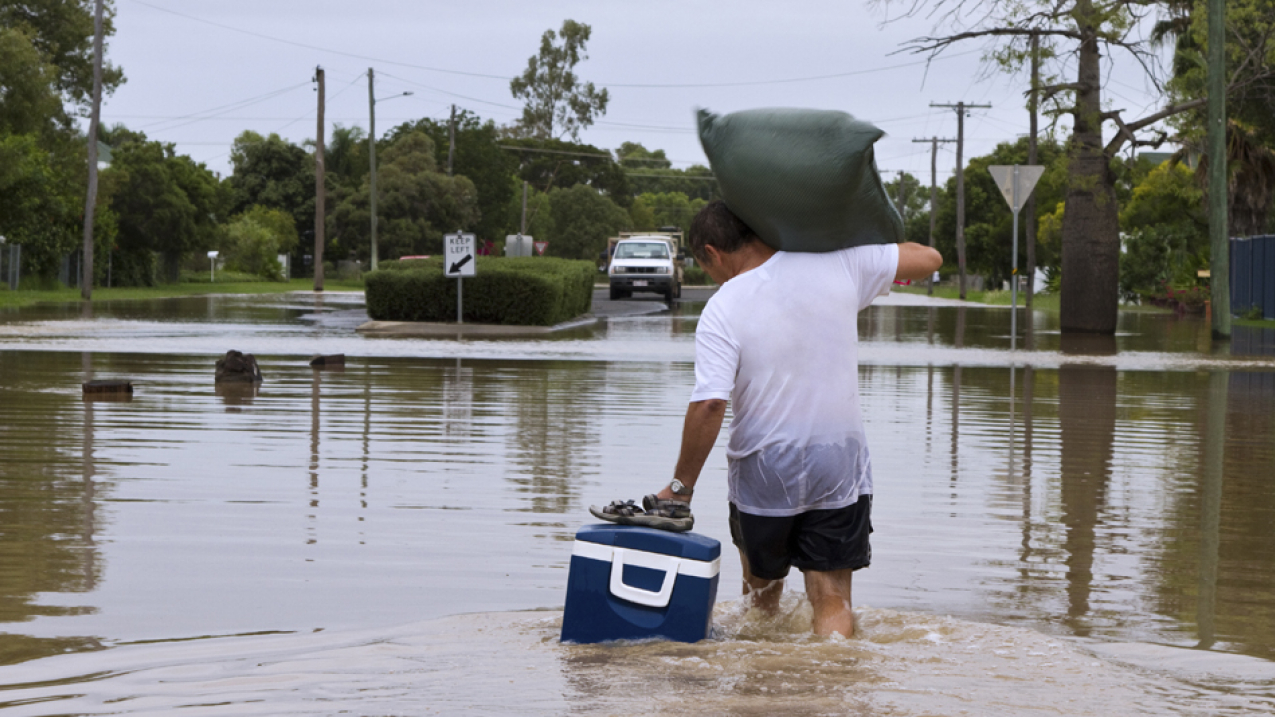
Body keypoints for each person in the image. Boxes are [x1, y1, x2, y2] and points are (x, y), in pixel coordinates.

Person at [651, 200, 942, 637]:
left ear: (712, 252)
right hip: (838, 464)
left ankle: (765, 683)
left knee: (760, 599)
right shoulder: (839, 264)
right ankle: (834, 675)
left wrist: (679, 489)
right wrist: (846, 238)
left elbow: (711, 404)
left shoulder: (723, 306)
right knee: (832, 598)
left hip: (763, 469)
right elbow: (929, 258)